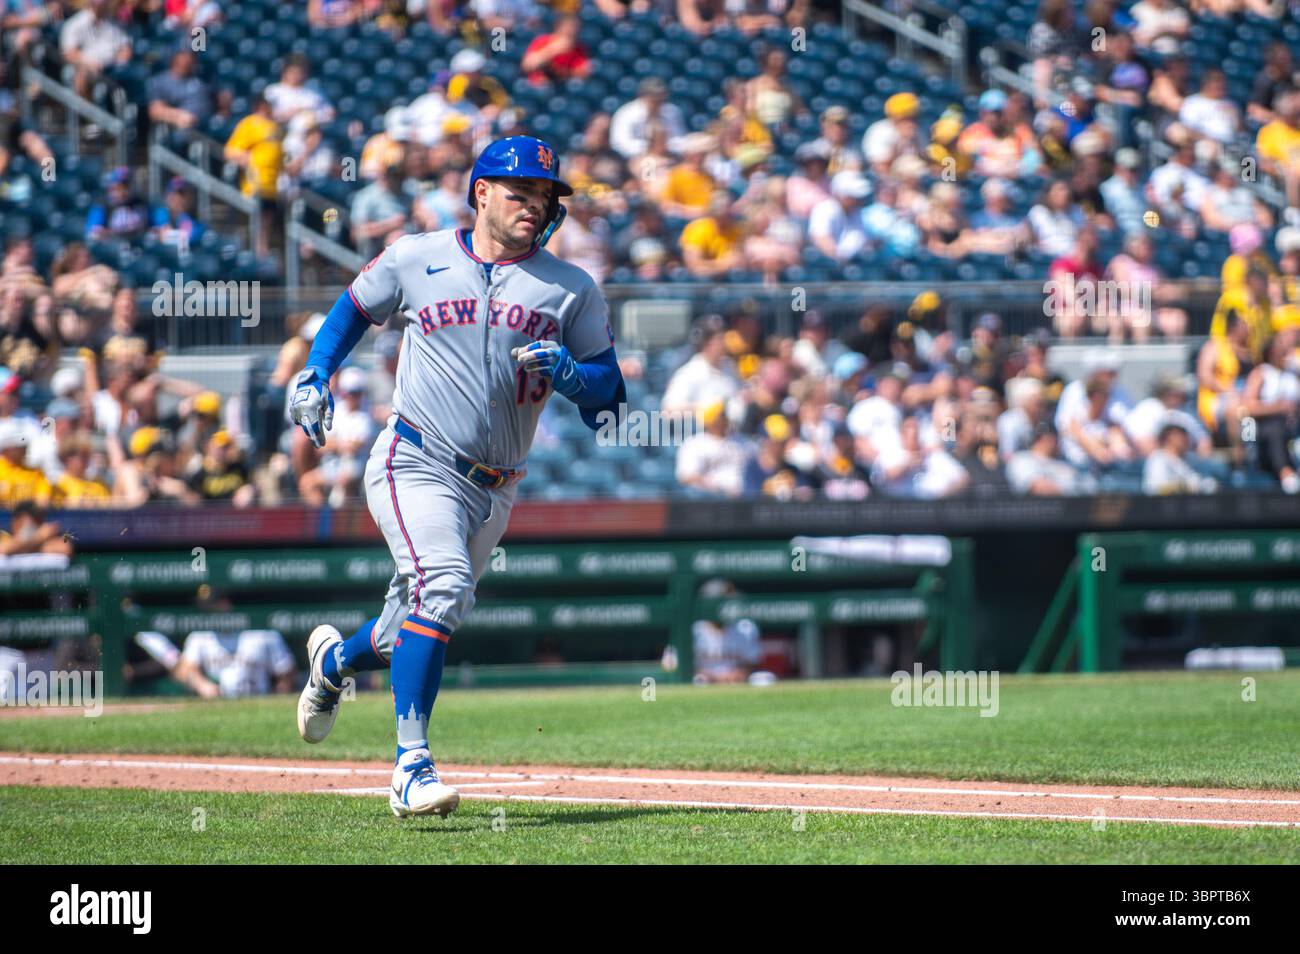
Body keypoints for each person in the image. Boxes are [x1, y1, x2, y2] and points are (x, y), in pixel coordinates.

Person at [287, 136, 626, 819]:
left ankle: (333, 664)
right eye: (519, 193)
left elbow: (611, 401)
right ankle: (410, 767)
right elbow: (355, 305)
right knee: (442, 587)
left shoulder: (570, 288)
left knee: (413, 622)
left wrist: (571, 375)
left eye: (544, 197)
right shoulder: (418, 256)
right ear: (481, 193)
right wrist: (316, 371)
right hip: (413, 458)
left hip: (496, 485)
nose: (535, 207)